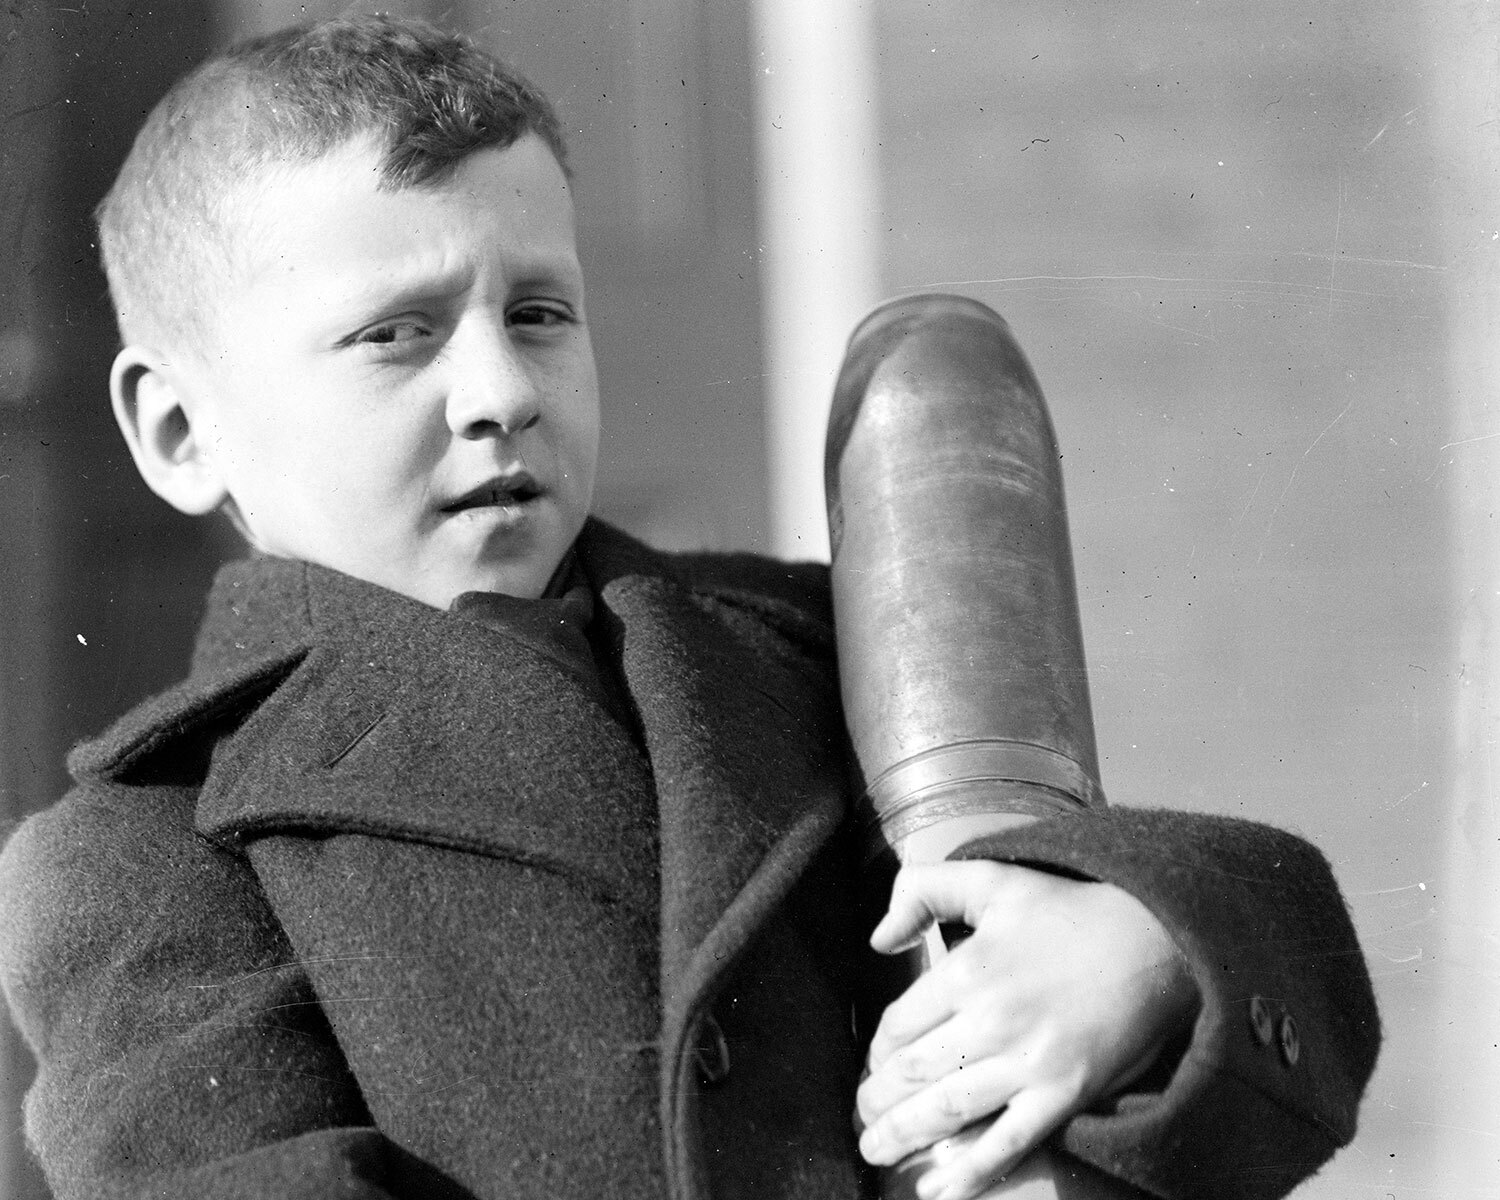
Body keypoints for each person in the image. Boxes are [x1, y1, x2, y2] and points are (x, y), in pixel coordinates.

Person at [0, 15, 1378, 1200]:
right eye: (396, 334)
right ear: (179, 432)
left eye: (539, 311)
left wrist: (1140, 955)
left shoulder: (824, 653)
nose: (503, 391)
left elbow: (1269, 962)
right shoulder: (149, 859)